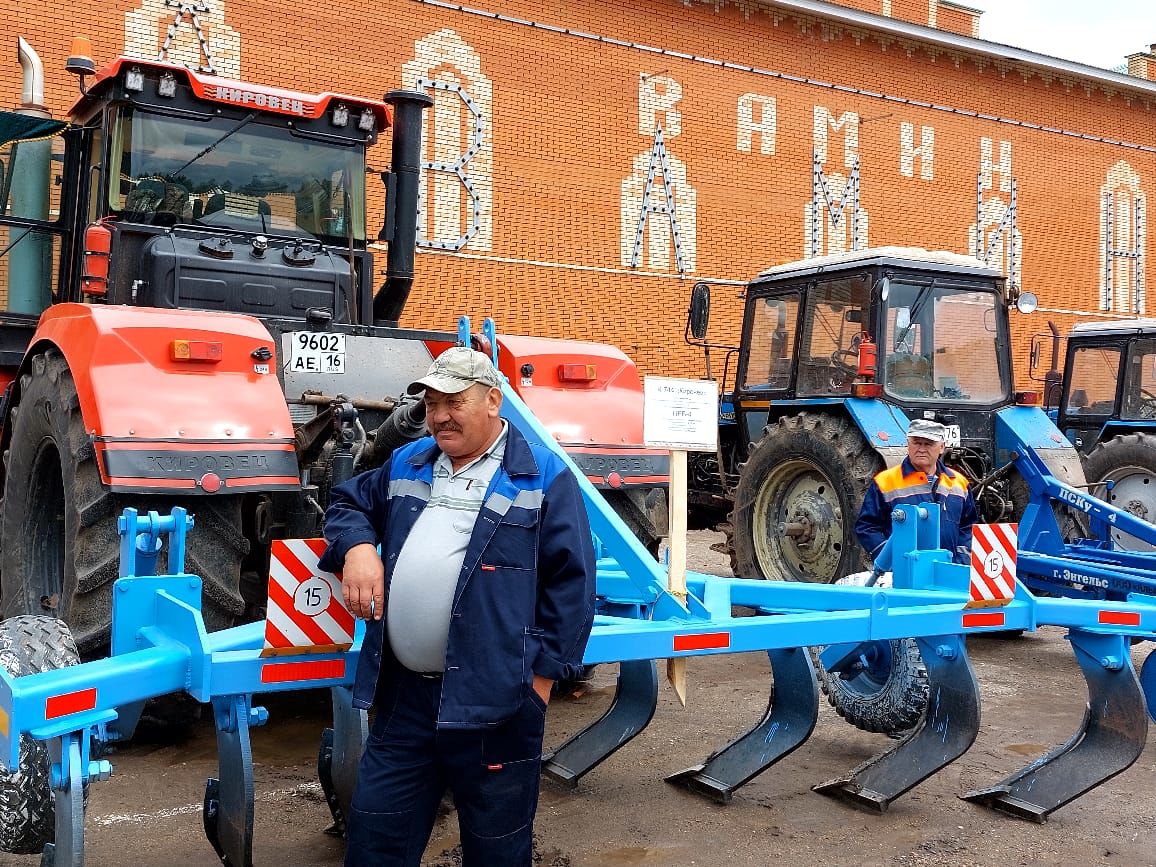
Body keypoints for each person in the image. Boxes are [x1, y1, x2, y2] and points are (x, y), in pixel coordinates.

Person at [319, 345, 596, 867]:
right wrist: (357, 549)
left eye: (454, 402)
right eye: (430, 404)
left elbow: (573, 586)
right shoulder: (409, 460)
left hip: (498, 704)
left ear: (493, 401)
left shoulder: (543, 477)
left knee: (496, 851)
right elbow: (349, 501)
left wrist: (539, 684)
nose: (439, 416)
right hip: (405, 702)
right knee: (375, 841)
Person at [854, 418, 978, 565]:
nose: (921, 449)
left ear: (942, 447)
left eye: (928, 444)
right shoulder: (885, 482)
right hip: (905, 574)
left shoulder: (959, 483)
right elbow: (867, 527)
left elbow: (968, 527)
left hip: (948, 571)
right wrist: (890, 561)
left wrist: (961, 560)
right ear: (908, 444)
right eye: (917, 443)